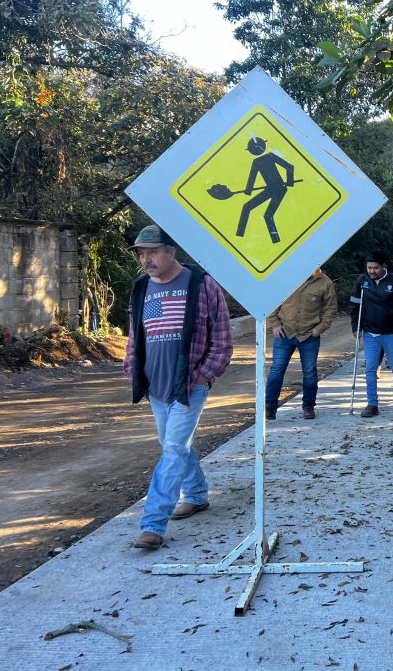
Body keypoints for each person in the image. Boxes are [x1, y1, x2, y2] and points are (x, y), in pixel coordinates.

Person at [123, 224, 233, 551]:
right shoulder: (141, 288)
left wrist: (203, 375)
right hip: (155, 386)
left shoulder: (202, 285)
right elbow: (135, 336)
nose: (146, 259)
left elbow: (223, 340)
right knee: (175, 445)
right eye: (141, 253)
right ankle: (198, 495)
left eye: (152, 251)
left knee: (172, 448)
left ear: (172, 251)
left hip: (189, 386)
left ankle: (153, 523)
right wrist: (133, 370)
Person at [264, 268, 337, 421]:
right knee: (277, 370)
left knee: (310, 372)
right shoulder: (286, 278)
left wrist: (320, 329)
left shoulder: (325, 282)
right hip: (285, 333)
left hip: (309, 335)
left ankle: (308, 407)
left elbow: (330, 309)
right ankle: (270, 407)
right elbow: (272, 301)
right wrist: (275, 324)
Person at [350, 251, 393, 417]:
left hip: (391, 332)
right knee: (371, 369)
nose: (372, 271)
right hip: (370, 333)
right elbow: (354, 306)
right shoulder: (362, 281)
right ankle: (372, 404)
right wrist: (355, 327)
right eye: (369, 268)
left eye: (375, 268)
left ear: (383, 265)